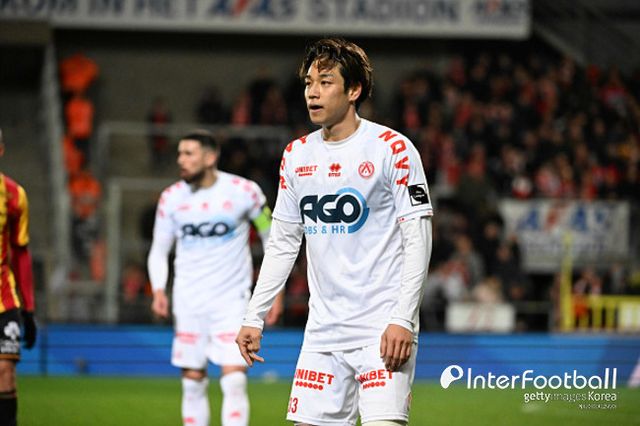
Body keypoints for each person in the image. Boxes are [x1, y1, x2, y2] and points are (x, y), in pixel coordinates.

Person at [236, 38, 434, 426]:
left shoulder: (392, 148)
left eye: (325, 82)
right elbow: (283, 243)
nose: (312, 92)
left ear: (354, 90)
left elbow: (418, 239)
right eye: (308, 83)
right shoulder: (296, 155)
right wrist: (254, 316)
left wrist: (404, 318)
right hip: (323, 332)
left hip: (382, 327)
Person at [147, 129, 283, 426]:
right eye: (179, 154)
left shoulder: (245, 192)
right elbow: (159, 250)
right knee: (192, 382)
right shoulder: (171, 198)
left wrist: (275, 294)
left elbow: (273, 240)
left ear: (210, 157)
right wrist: (158, 289)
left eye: (189, 154)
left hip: (231, 300)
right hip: (188, 299)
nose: (181, 160)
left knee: (234, 380)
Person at [0, 128, 37, 426]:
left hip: (4, 298)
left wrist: (29, 308)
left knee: (5, 371)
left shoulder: (14, 194)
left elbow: (21, 252)